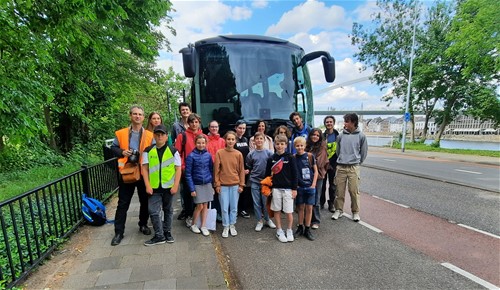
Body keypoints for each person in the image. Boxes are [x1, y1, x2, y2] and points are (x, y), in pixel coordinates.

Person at [110, 105, 154, 246]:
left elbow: (153, 152)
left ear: (143, 117)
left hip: (143, 172)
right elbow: (113, 148)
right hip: (127, 172)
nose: (137, 116)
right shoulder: (121, 133)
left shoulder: (149, 135)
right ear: (130, 116)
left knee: (145, 201)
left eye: (140, 114)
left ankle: (143, 224)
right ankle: (118, 232)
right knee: (123, 203)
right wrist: (122, 152)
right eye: (135, 114)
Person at [141, 124, 181, 245]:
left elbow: (178, 169)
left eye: (162, 134)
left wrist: (175, 186)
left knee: (168, 210)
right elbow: (144, 169)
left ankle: (167, 232)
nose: (159, 137)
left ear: (166, 136)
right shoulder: (148, 151)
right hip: (154, 187)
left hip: (168, 187)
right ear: (154, 135)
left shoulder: (173, 151)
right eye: (157, 134)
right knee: (153, 211)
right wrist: (147, 185)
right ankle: (159, 235)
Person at [331, 113, 368, 222]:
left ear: (353, 122)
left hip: (353, 168)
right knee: (339, 190)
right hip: (341, 167)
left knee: (354, 191)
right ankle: (339, 210)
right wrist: (342, 159)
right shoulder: (341, 136)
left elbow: (363, 152)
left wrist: (357, 162)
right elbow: (338, 151)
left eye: (347, 121)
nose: (345, 124)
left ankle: (355, 212)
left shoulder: (361, 136)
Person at [265, 134, 297, 243]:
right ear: (274, 145)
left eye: (282, 144)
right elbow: (267, 175)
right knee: (277, 210)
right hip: (276, 189)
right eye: (277, 144)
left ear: (286, 145)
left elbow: (295, 174)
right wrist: (268, 188)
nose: (279, 146)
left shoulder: (291, 157)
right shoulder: (271, 158)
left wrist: (294, 189)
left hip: (288, 189)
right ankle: (279, 230)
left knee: (289, 212)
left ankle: (289, 230)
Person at [175, 113, 204, 227]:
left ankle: (198, 216)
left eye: (196, 121)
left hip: (200, 170)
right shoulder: (183, 136)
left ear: (199, 123)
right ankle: (188, 216)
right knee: (188, 194)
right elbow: (177, 153)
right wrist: (182, 167)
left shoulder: (203, 135)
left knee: (199, 194)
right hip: (187, 170)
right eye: (192, 122)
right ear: (188, 123)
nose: (194, 124)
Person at [214, 131, 245, 238]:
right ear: (225, 140)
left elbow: (241, 170)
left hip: (235, 185)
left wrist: (241, 184)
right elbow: (216, 170)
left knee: (234, 207)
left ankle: (232, 224)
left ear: (235, 141)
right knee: (224, 207)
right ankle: (225, 226)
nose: (230, 141)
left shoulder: (238, 154)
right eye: (229, 139)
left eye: (232, 139)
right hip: (223, 185)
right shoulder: (219, 153)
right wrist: (217, 184)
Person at [185, 134, 214, 237]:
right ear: (195, 143)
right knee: (199, 205)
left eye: (203, 143)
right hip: (197, 184)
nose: (201, 145)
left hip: (207, 183)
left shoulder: (208, 155)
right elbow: (188, 174)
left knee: (205, 205)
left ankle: (203, 226)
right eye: (198, 143)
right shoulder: (191, 156)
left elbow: (211, 170)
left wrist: (212, 184)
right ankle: (193, 224)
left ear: (206, 143)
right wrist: (192, 189)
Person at [246, 132, 276, 232]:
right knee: (256, 202)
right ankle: (259, 221)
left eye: (261, 139)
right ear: (254, 141)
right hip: (254, 181)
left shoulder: (269, 153)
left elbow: (273, 166)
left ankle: (267, 219)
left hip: (265, 182)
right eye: (257, 139)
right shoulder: (251, 154)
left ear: (264, 140)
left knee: (266, 202)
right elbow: (249, 165)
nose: (259, 140)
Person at [293, 136, 318, 241]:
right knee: (300, 208)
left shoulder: (310, 156)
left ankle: (307, 228)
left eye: (301, 145)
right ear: (294, 146)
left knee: (309, 208)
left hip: (310, 186)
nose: (299, 148)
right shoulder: (293, 157)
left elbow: (316, 171)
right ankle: (300, 227)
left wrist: (313, 184)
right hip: (299, 187)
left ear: (305, 146)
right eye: (297, 146)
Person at [171, 102, 192, 220]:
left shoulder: (195, 123)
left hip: (193, 157)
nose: (185, 111)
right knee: (183, 187)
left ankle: (192, 209)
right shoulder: (176, 126)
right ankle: (185, 209)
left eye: (186, 109)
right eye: (183, 110)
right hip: (182, 158)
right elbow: (173, 143)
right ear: (180, 112)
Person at [306, 128, 329, 229]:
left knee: (316, 198)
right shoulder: (307, 146)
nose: (315, 137)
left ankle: (316, 220)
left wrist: (307, 160)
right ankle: (307, 219)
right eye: (313, 135)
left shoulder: (322, 148)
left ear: (320, 137)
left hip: (318, 176)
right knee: (307, 198)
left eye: (317, 135)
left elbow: (319, 163)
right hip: (306, 176)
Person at [206, 120, 225, 222]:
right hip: (209, 168)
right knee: (211, 192)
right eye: (212, 127)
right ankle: (213, 213)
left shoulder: (222, 141)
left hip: (220, 169)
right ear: (209, 128)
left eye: (216, 127)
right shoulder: (206, 139)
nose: (214, 129)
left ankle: (220, 212)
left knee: (220, 191)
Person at [234, 120, 251, 219]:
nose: (242, 130)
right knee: (236, 190)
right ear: (236, 128)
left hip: (245, 169)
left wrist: (247, 168)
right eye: (240, 128)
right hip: (236, 170)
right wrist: (239, 170)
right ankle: (235, 209)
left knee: (244, 190)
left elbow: (247, 156)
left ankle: (243, 209)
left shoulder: (245, 139)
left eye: (244, 128)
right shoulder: (233, 139)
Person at [322, 116, 339, 212]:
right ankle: (321, 202)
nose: (329, 123)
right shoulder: (322, 136)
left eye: (330, 122)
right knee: (322, 185)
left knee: (333, 185)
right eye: (327, 122)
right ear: (325, 124)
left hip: (334, 164)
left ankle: (331, 203)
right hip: (323, 164)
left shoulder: (338, 136)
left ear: (333, 123)